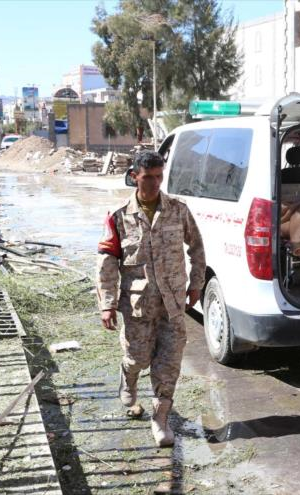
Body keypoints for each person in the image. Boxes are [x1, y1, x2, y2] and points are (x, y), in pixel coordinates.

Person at [96, 151, 206, 447]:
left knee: (168, 364)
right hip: (137, 306)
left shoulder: (178, 210)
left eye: (159, 176)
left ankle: (160, 420)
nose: (155, 183)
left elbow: (197, 247)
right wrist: (107, 303)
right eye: (148, 177)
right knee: (138, 359)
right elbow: (107, 264)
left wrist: (196, 284)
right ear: (134, 176)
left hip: (173, 306)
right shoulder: (119, 217)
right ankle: (128, 379)